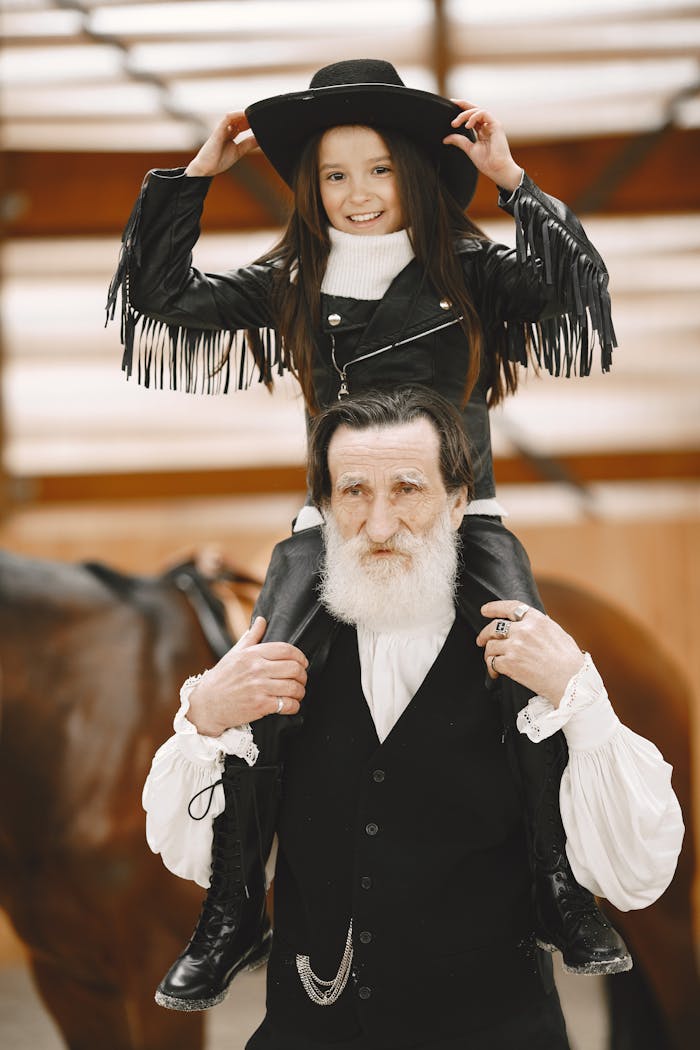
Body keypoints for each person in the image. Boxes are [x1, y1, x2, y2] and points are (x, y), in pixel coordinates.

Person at [108, 58, 626, 1006]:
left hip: (468, 518)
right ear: (311, 189)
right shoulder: (292, 278)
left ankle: (556, 885)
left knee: (534, 674)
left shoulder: (469, 268)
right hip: (330, 522)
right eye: (335, 176)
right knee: (259, 688)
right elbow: (160, 298)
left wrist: (514, 181)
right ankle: (232, 908)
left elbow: (574, 291)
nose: (356, 195)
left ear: (417, 176)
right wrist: (196, 175)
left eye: (380, 170)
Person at [143, 387, 683, 1049]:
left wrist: (584, 698)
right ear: (322, 510)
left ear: (458, 503)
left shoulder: (537, 667)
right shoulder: (274, 668)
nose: (377, 524)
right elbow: (186, 856)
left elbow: (636, 871)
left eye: (407, 489)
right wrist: (201, 722)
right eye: (353, 493)